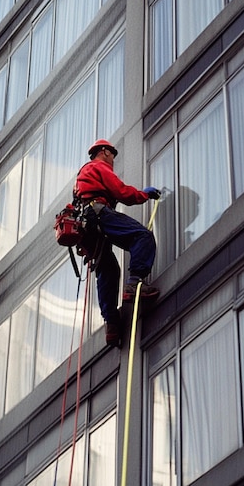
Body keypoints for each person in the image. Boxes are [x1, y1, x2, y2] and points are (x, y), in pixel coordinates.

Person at [74, 139, 161, 347]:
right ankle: (134, 283)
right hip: (97, 213)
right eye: (112, 155)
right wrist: (144, 195)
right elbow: (121, 191)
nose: (113, 159)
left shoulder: (81, 177)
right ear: (104, 152)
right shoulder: (98, 167)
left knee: (109, 269)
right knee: (142, 236)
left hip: (87, 225)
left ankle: (111, 324)